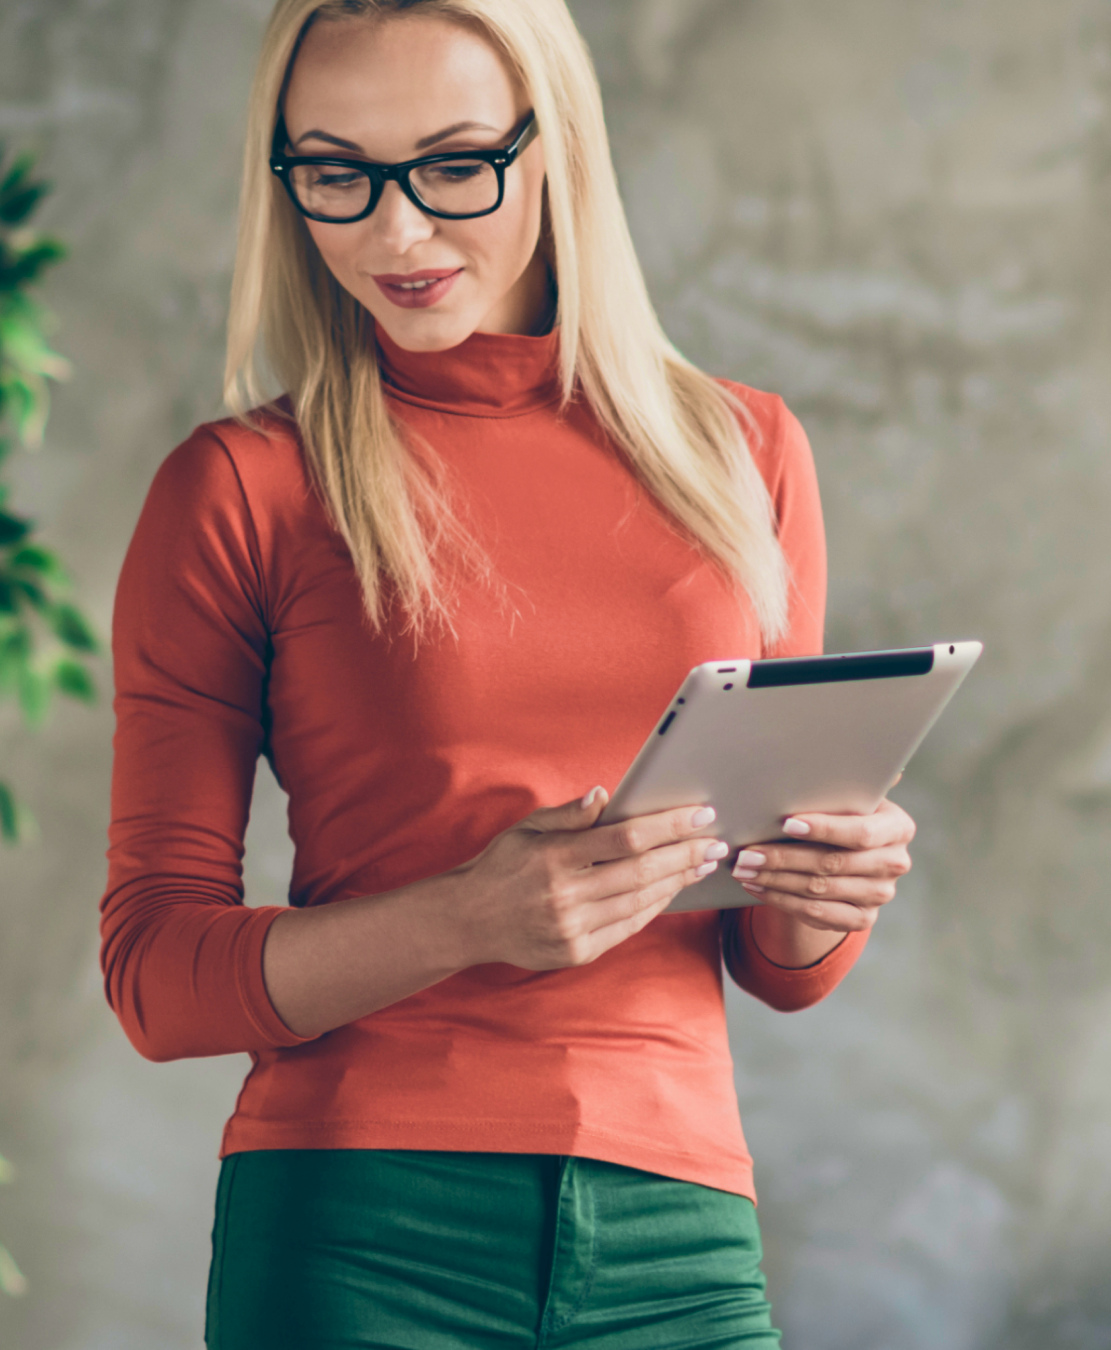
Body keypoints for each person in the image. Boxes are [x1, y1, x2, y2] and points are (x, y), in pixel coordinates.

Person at [99, 2, 916, 1346]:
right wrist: (469, 917)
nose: (393, 232)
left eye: (453, 163)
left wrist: (825, 885)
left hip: (680, 1224)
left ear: (557, 147)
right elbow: (152, 974)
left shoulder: (743, 455)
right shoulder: (242, 488)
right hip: (356, 1229)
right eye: (333, 173)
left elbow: (779, 967)